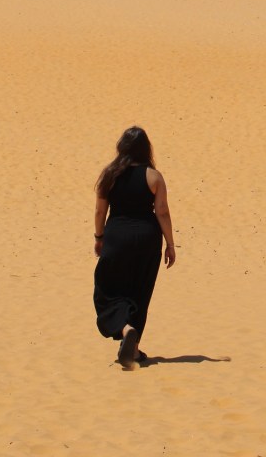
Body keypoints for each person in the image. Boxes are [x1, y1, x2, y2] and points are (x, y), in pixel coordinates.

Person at [93, 126, 176, 368]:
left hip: (117, 237)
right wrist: (170, 243)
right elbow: (162, 211)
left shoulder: (109, 175)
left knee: (107, 289)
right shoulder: (154, 177)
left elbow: (100, 211)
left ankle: (125, 329)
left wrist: (99, 237)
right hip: (147, 239)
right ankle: (134, 347)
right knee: (140, 291)